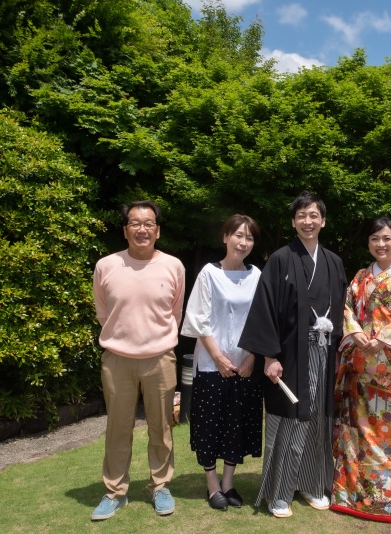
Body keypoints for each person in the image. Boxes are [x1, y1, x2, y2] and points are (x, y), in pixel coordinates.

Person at [237, 191, 347, 518]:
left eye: (313, 215)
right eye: (301, 216)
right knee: (289, 418)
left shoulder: (334, 262)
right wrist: (269, 356)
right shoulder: (281, 259)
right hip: (290, 355)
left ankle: (313, 484)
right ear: (293, 222)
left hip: (325, 354)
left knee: (317, 420)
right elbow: (265, 309)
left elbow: (343, 308)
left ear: (323, 221)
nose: (308, 221)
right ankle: (280, 492)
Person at [90, 200, 185, 521]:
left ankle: (160, 486)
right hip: (117, 360)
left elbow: (175, 313)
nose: (141, 229)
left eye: (148, 224)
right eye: (135, 223)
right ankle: (115, 491)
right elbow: (104, 313)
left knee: (161, 428)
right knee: (118, 428)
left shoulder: (174, 266)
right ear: (125, 230)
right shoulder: (106, 266)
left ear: (157, 230)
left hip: (160, 359)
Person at [330, 217, 391, 523]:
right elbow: (346, 309)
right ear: (369, 242)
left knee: (389, 438)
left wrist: (382, 339)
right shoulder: (360, 277)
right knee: (356, 435)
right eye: (375, 239)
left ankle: (389, 500)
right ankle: (350, 496)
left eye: (386, 238)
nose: (380, 244)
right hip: (360, 369)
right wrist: (355, 333)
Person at [180, 214, 264, 512]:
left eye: (249, 237)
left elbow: (263, 321)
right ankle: (212, 484)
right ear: (225, 237)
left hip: (245, 365)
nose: (243, 242)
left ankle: (229, 483)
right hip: (212, 365)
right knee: (209, 425)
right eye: (238, 235)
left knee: (236, 425)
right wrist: (217, 357)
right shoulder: (209, 274)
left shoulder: (256, 275)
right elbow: (199, 318)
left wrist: (253, 356)